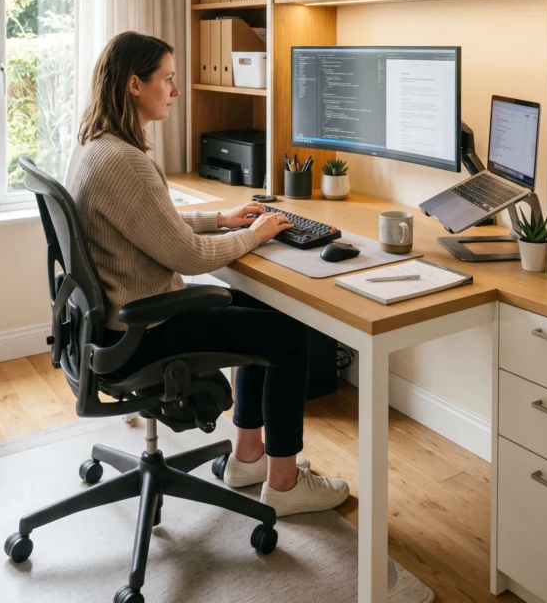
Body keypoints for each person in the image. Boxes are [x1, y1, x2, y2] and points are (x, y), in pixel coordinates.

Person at [66, 31, 349, 517]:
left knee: (261, 307)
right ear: (135, 85)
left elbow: (147, 225)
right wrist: (257, 234)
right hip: (144, 331)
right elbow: (191, 257)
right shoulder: (127, 162)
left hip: (114, 325)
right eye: (168, 79)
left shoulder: (96, 148)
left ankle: (246, 458)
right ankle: (284, 485)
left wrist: (220, 220)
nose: (176, 91)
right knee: (289, 334)